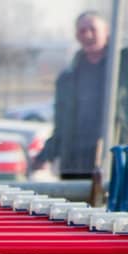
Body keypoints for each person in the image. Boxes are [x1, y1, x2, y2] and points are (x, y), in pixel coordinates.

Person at [37, 11, 128, 178]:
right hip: (75, 165)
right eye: (82, 30)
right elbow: (61, 125)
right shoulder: (68, 78)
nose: (87, 34)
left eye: (93, 29)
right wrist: (44, 156)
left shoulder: (122, 68)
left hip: (116, 162)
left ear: (107, 31)